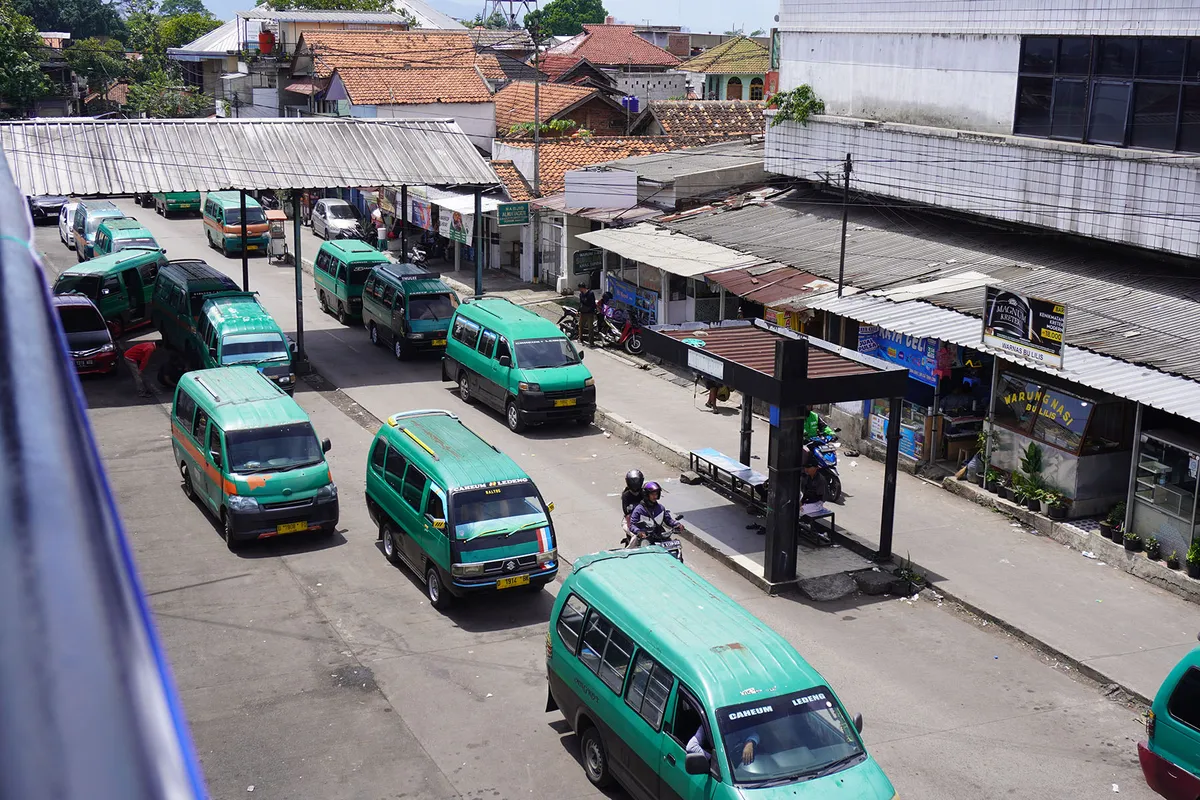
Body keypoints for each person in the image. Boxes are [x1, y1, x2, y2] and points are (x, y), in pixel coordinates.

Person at [686, 724, 760, 767]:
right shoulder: (707, 726)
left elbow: (753, 734)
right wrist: (714, 760)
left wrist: (750, 743)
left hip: (736, 767)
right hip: (721, 768)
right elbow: (691, 746)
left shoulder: (733, 720)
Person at [800, 449, 829, 518]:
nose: (806, 469)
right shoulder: (807, 477)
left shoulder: (820, 480)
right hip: (807, 501)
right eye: (806, 467)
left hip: (817, 503)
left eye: (809, 467)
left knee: (799, 511)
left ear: (816, 468)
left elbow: (820, 497)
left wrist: (803, 503)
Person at [577, 281, 596, 347]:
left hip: (589, 313)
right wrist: (578, 310)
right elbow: (580, 303)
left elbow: (592, 303)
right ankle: (580, 338)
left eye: (580, 288)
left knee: (590, 328)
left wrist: (591, 310)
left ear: (583, 288)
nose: (580, 290)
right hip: (583, 312)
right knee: (580, 326)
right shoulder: (581, 294)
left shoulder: (590, 293)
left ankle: (591, 342)